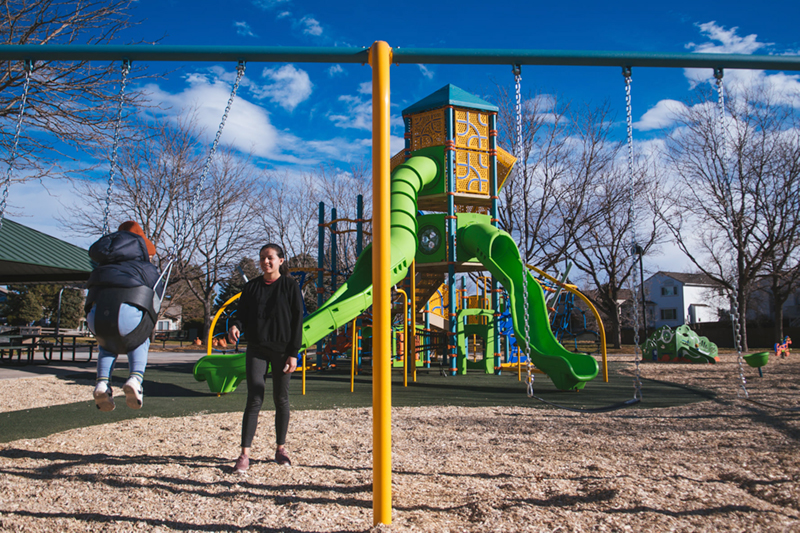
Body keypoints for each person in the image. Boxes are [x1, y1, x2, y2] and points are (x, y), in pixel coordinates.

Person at [228, 243, 303, 472]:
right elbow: (241, 315)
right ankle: (244, 454)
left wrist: (293, 353)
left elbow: (297, 321)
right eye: (262, 258)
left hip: (282, 350)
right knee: (254, 397)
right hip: (257, 348)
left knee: (281, 398)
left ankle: (280, 449)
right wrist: (234, 326)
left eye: (270, 258)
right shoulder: (251, 288)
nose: (265, 262)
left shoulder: (290, 286)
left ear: (281, 260)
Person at [85, 221, 162, 412]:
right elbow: (156, 294)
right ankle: (135, 379)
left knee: (106, 343)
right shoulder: (145, 268)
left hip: (96, 319)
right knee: (138, 338)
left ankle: (102, 383)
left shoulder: (100, 268)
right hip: (127, 317)